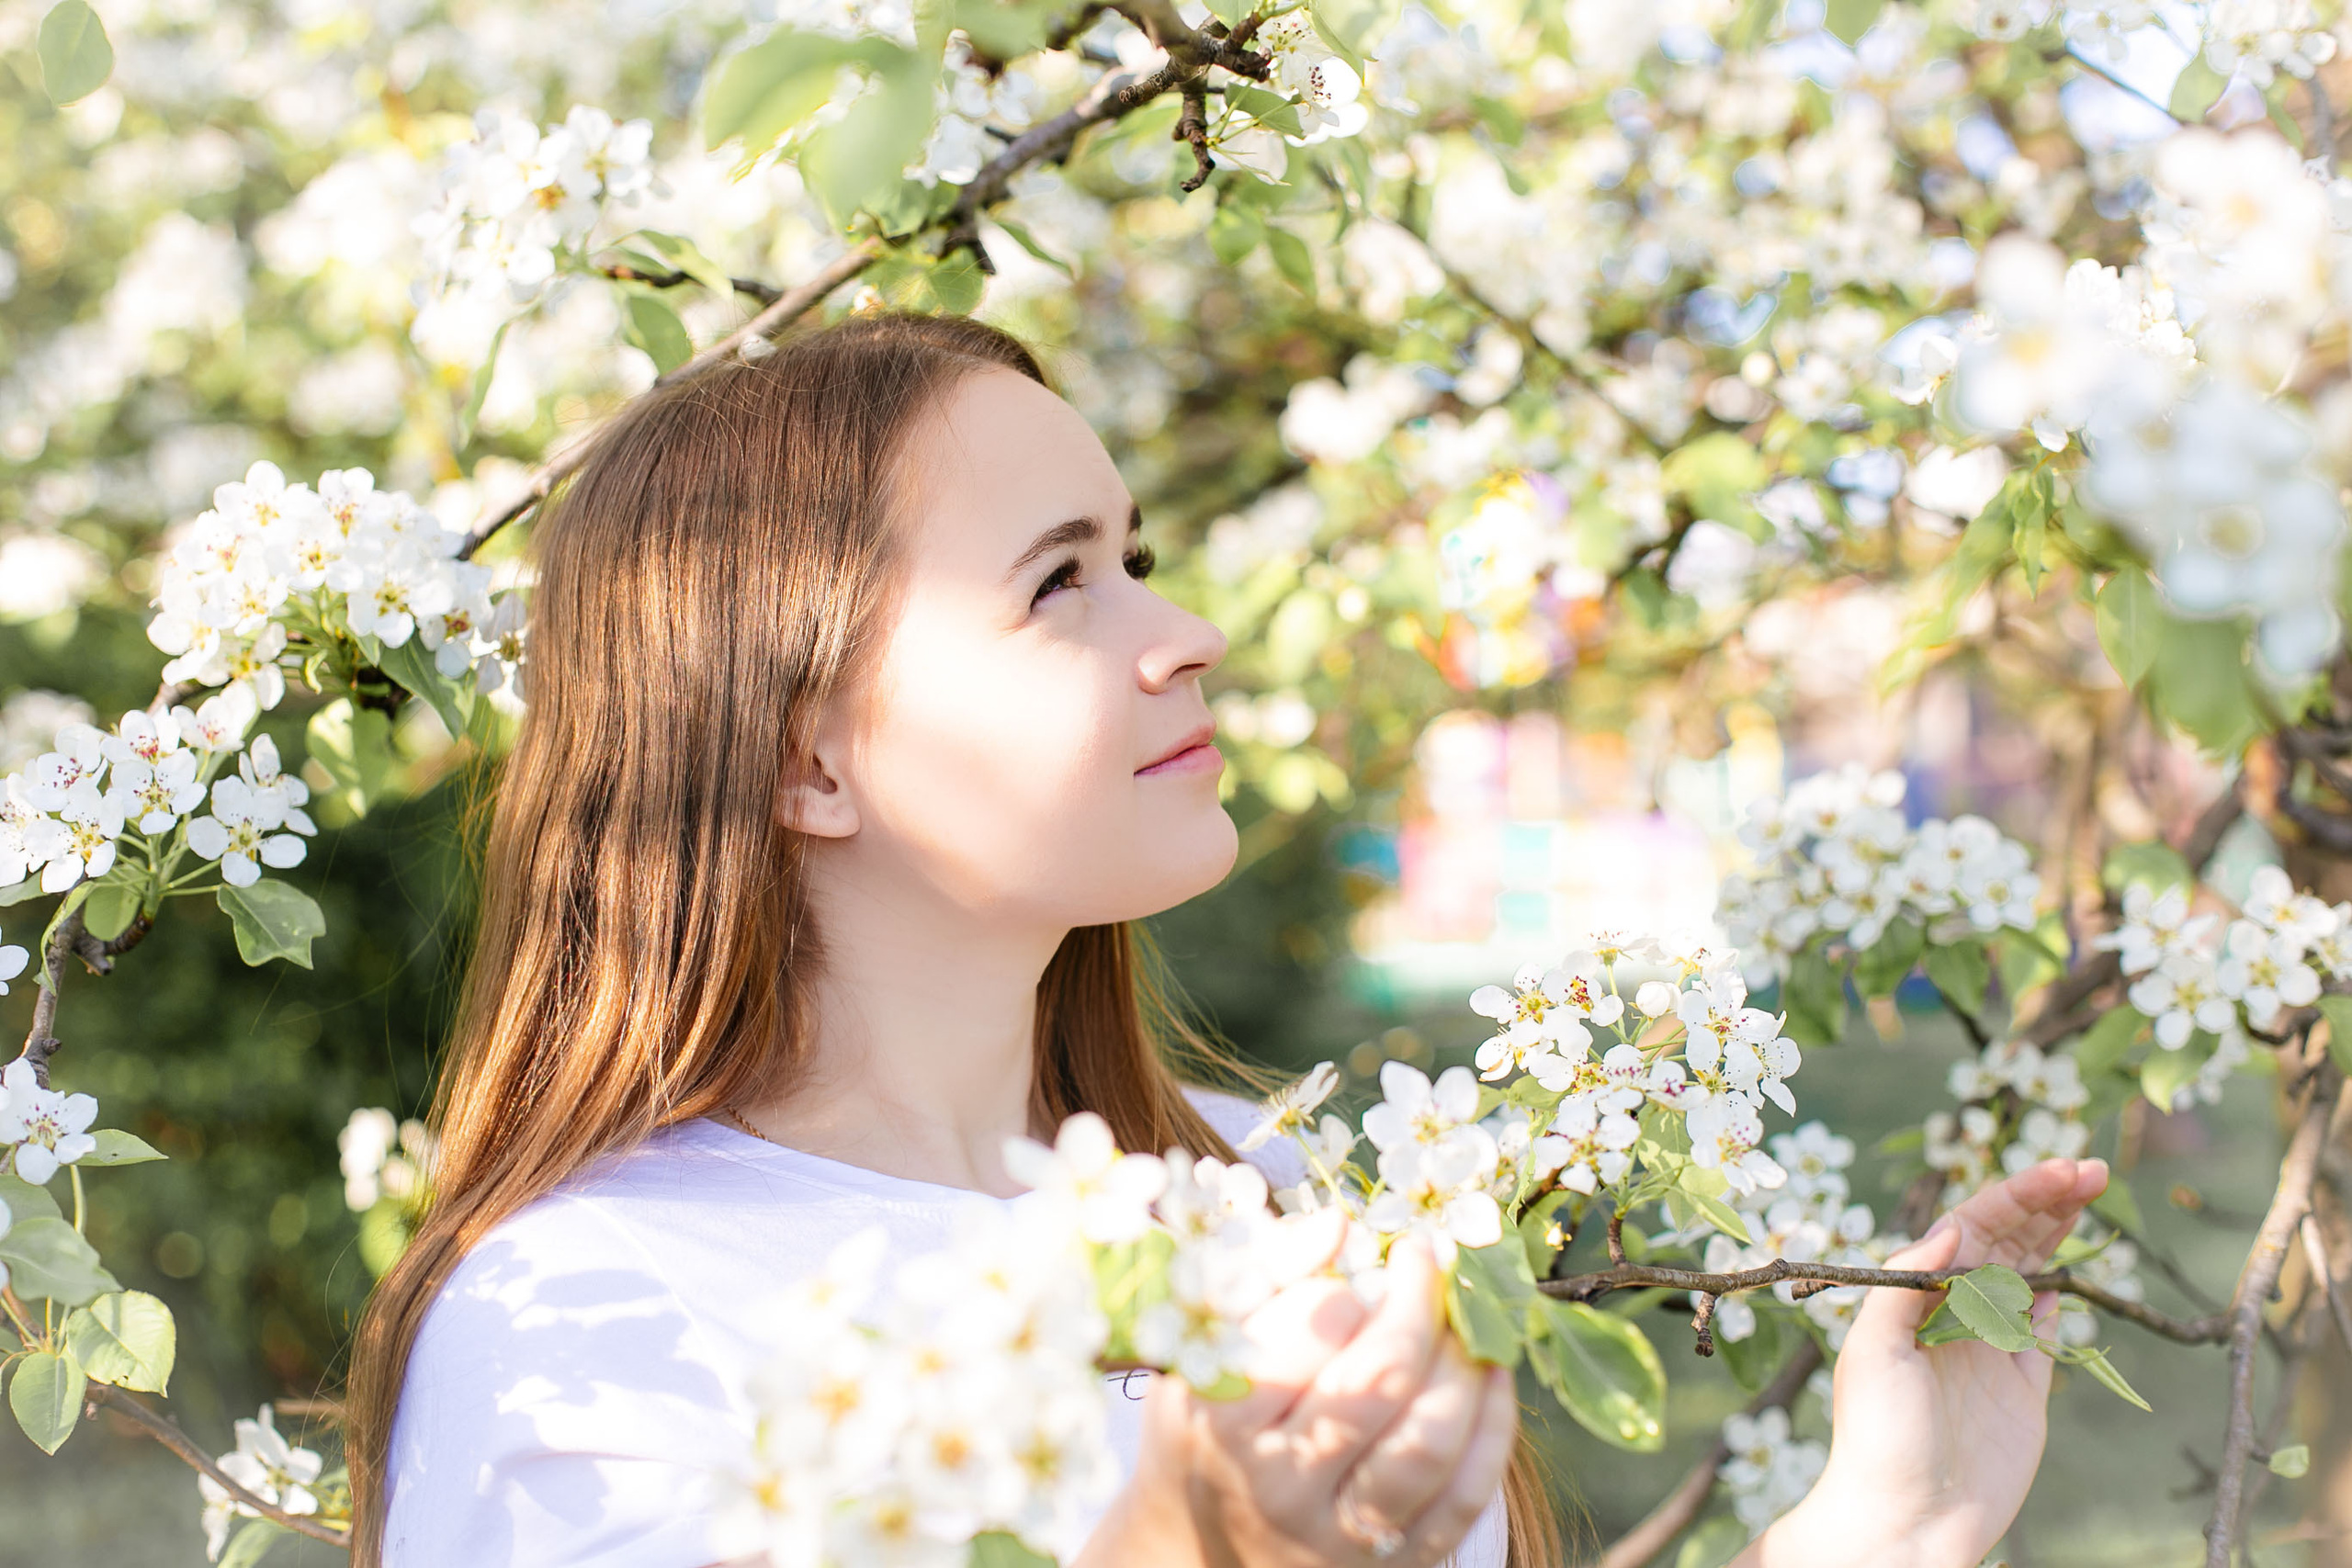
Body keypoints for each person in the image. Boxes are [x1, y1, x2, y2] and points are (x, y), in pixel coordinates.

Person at [345, 310, 2111, 1568]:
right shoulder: (589, 1320)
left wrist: (1880, 1525)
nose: (1180, 629)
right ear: (807, 756)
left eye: (1138, 555)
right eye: (1060, 583)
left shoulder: (1260, 1195)